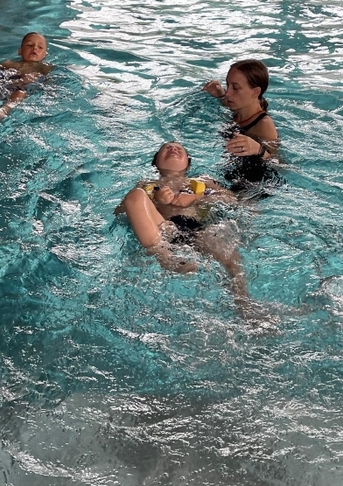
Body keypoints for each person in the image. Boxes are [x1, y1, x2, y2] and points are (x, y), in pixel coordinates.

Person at [116, 142, 269, 323]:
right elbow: (121, 212)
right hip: (162, 228)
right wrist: (155, 200)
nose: (173, 149)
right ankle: (163, 255)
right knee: (136, 195)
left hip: (199, 229)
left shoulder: (203, 182)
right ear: (155, 163)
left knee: (225, 248)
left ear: (188, 164)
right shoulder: (147, 185)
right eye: (166, 148)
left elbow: (232, 200)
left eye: (179, 148)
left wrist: (196, 199)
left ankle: (243, 301)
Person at [203, 59, 281, 193]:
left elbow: (278, 165)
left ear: (255, 92)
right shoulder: (236, 107)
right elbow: (225, 100)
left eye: (235, 87)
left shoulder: (264, 125)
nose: (228, 93)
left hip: (252, 185)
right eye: (228, 85)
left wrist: (259, 150)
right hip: (228, 170)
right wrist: (220, 94)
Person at [0, 32, 53, 121]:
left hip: (22, 85)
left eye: (40, 47)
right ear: (20, 51)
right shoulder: (9, 63)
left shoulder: (44, 66)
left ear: (45, 54)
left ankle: (3, 111)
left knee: (19, 94)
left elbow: (49, 80)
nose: (35, 48)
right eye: (30, 45)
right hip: (2, 83)